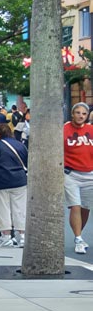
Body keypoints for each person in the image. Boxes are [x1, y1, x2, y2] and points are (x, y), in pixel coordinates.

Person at [0, 123, 28, 248]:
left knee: (2, 209)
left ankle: (6, 236)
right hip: (20, 181)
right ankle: (21, 236)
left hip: (1, 181)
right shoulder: (20, 145)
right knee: (20, 209)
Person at [64, 102, 93, 255]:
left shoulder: (91, 130)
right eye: (78, 113)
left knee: (85, 208)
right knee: (75, 206)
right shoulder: (64, 129)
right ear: (72, 114)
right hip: (71, 174)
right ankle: (78, 238)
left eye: (84, 113)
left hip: (90, 174)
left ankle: (79, 234)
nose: (81, 116)